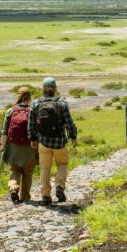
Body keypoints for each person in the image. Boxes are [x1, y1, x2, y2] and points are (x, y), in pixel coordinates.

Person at [28, 77, 78, 206]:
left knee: (45, 168)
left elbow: (31, 124)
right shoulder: (62, 102)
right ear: (55, 89)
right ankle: (60, 187)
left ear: (43, 88)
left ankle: (45, 195)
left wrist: (32, 138)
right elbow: (69, 121)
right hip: (60, 141)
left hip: (43, 142)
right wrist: (73, 135)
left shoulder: (35, 103)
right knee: (62, 164)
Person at [0, 87, 38, 203]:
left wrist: (3, 149)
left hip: (14, 147)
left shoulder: (11, 111)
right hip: (30, 147)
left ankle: (13, 187)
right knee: (28, 173)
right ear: (30, 97)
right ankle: (25, 198)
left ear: (18, 96)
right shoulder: (33, 111)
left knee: (15, 170)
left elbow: (5, 132)